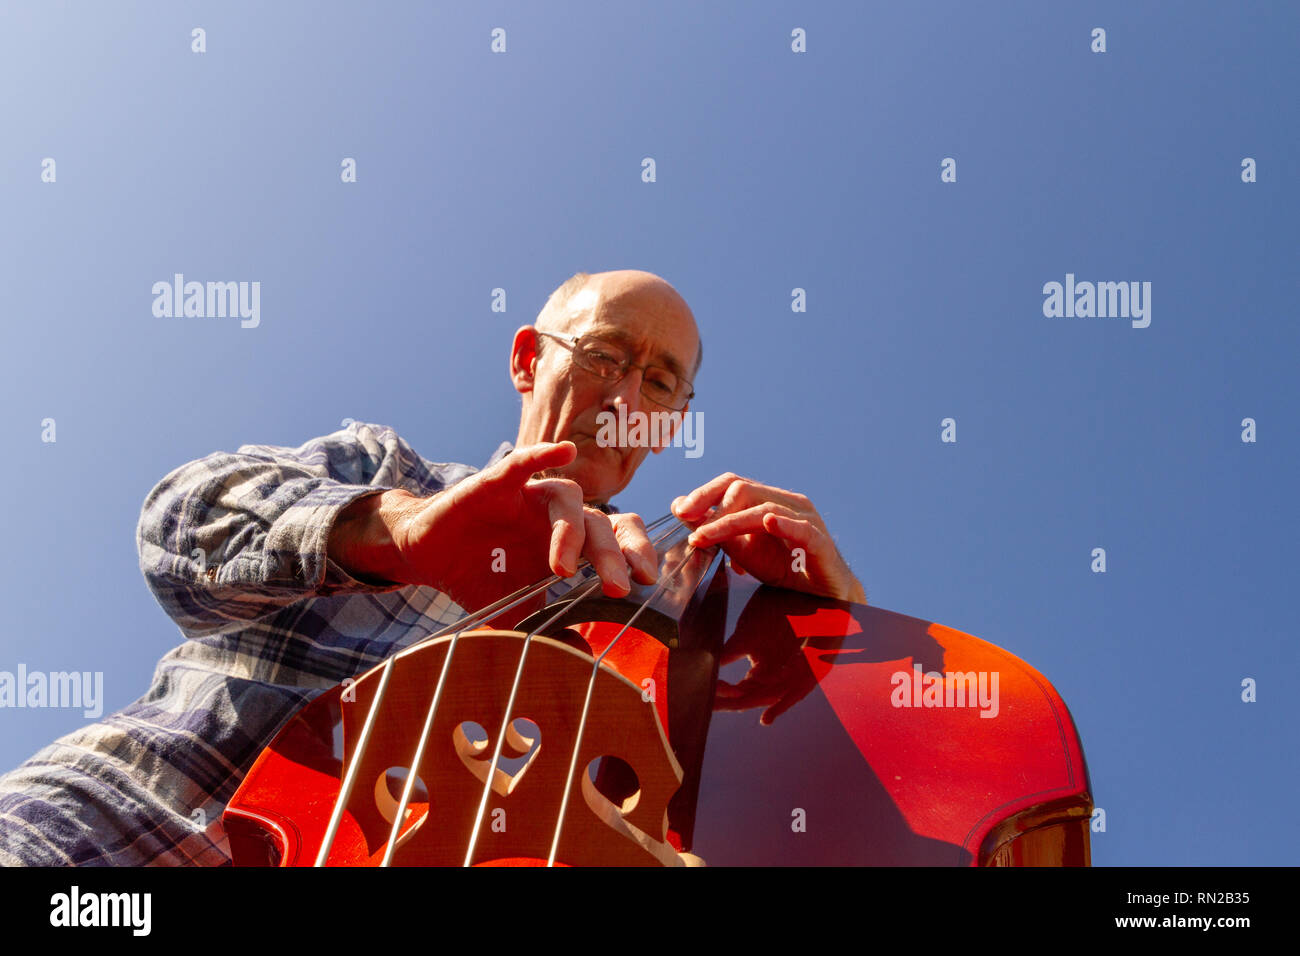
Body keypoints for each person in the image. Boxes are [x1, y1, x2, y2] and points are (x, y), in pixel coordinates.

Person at [0, 269, 865, 866]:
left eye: (661, 382)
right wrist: (400, 533)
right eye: (605, 355)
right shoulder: (393, 473)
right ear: (529, 360)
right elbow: (177, 530)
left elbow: (750, 817)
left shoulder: (676, 606)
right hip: (116, 834)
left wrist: (835, 654)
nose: (625, 399)